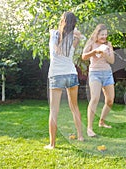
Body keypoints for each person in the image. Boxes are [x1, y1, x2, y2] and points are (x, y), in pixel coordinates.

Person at [45, 11, 84, 149]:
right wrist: (74, 31)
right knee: (75, 107)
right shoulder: (75, 37)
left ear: (62, 21)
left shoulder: (54, 34)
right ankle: (80, 136)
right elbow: (78, 35)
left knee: (54, 110)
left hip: (56, 75)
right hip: (71, 74)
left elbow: (56, 49)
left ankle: (52, 144)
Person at [82, 24, 115, 137]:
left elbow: (112, 61)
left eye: (106, 35)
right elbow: (84, 56)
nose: (104, 37)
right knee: (95, 98)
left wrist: (105, 53)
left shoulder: (108, 44)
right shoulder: (91, 42)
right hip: (95, 73)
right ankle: (89, 128)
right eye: (102, 34)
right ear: (97, 34)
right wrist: (94, 51)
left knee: (110, 101)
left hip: (107, 74)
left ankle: (102, 121)